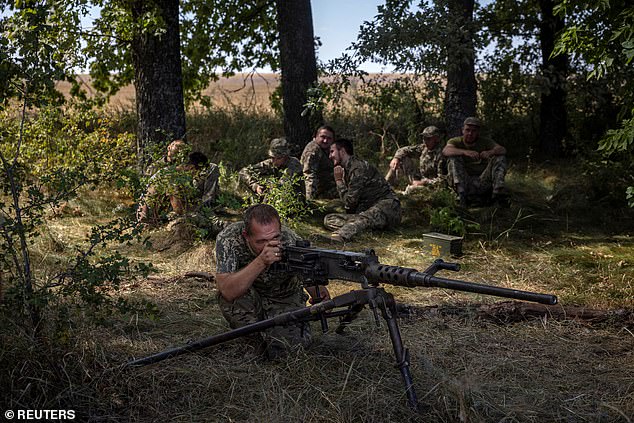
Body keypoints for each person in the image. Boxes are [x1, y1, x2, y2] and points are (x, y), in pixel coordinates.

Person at [215, 204, 330, 358]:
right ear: (246, 235)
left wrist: (320, 294)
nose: (270, 245)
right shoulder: (229, 238)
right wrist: (261, 261)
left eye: (275, 237)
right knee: (230, 298)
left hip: (284, 298)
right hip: (250, 298)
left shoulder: (290, 239)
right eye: (261, 241)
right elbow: (227, 291)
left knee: (289, 353)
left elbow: (310, 280)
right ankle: (253, 342)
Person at [324, 139, 401, 243]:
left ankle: (341, 235)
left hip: (387, 207)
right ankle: (370, 230)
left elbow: (349, 203)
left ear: (342, 151)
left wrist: (339, 182)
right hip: (367, 211)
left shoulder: (357, 168)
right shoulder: (347, 170)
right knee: (329, 219)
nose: (330, 156)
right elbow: (351, 207)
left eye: (332, 151)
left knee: (364, 219)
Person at [137, 140, 220, 225]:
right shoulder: (173, 176)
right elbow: (179, 209)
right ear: (191, 168)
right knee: (203, 222)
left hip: (158, 214)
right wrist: (197, 209)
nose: (196, 176)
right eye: (197, 172)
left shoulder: (174, 173)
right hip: (153, 219)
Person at [442, 117, 508, 207]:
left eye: (474, 131)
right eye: (467, 130)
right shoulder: (455, 141)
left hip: (482, 181)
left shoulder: (485, 141)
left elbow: (502, 149)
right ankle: (461, 196)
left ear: (478, 132)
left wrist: (490, 152)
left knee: (500, 158)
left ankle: (497, 193)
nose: (470, 133)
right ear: (462, 130)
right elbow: (446, 151)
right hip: (464, 181)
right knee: (453, 158)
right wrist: (465, 152)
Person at [385, 125, 446, 194]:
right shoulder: (423, 148)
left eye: (428, 139)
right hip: (419, 178)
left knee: (412, 190)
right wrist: (396, 158)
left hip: (431, 186)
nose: (425, 141)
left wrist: (424, 182)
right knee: (399, 160)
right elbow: (403, 150)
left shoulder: (442, 154)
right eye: (424, 138)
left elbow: (442, 180)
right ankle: (384, 185)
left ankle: (402, 194)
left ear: (436, 139)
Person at [239, 138, 303, 197]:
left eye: (278, 158)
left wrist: (268, 189)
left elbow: (281, 185)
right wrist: (255, 186)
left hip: (295, 202)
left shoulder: (293, 164)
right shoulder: (270, 163)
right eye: (272, 158)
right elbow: (243, 172)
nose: (275, 161)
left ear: (286, 156)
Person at [300, 125, 338, 200]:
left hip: (327, 188)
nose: (325, 141)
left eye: (329, 138)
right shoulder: (313, 150)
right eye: (323, 137)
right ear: (316, 137)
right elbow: (309, 175)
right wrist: (309, 201)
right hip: (319, 192)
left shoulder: (326, 149)